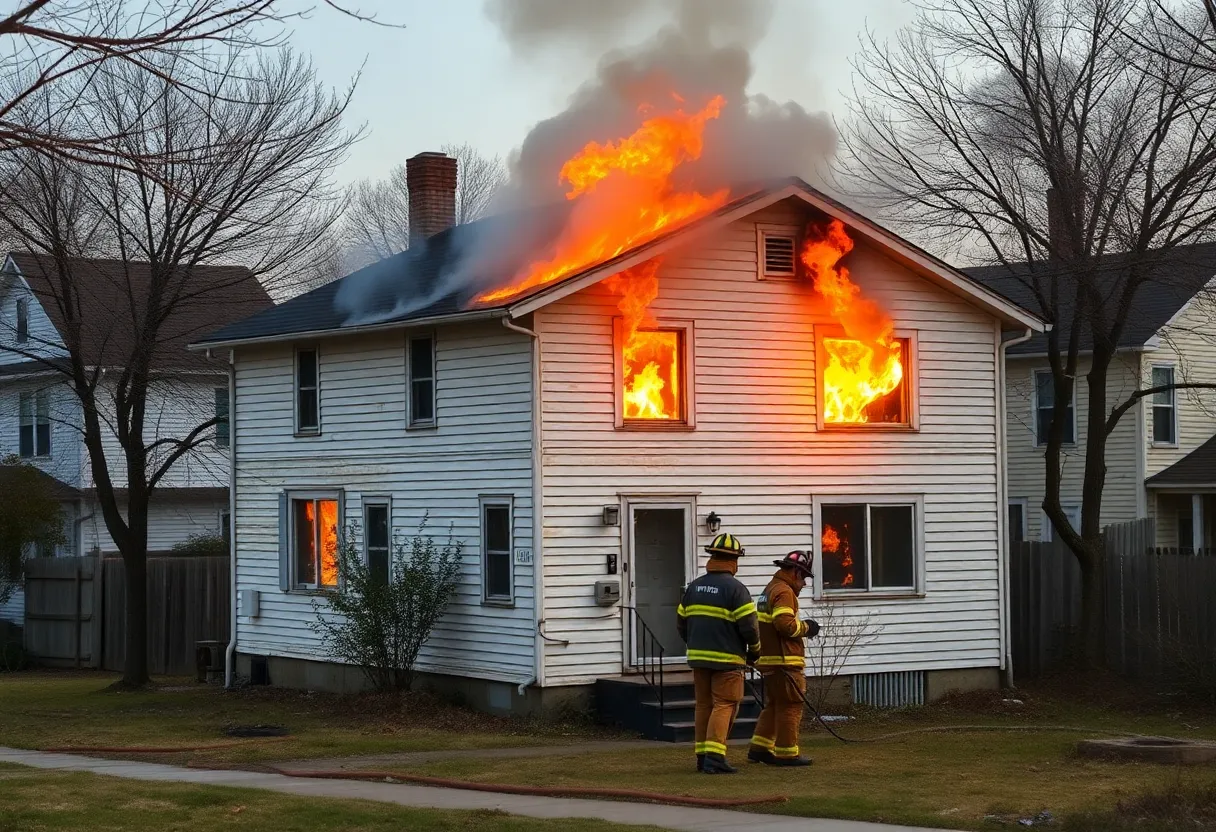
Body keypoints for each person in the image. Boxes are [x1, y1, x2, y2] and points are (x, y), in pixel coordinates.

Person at [676, 532, 760, 774]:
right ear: (734, 561)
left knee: (703, 705)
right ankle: (715, 757)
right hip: (727, 660)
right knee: (724, 704)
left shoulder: (694, 587)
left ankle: (702, 757)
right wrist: (755, 652)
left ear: (712, 557)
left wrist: (695, 644)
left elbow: (681, 623)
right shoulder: (736, 590)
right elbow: (750, 628)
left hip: (699, 658)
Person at [748, 549, 819, 767]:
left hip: (770, 661)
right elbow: (785, 625)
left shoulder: (769, 589)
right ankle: (788, 754)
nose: (805, 584)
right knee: (791, 705)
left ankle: (760, 749)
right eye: (804, 577)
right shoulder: (784, 591)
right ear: (796, 572)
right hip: (785, 661)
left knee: (775, 704)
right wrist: (808, 627)